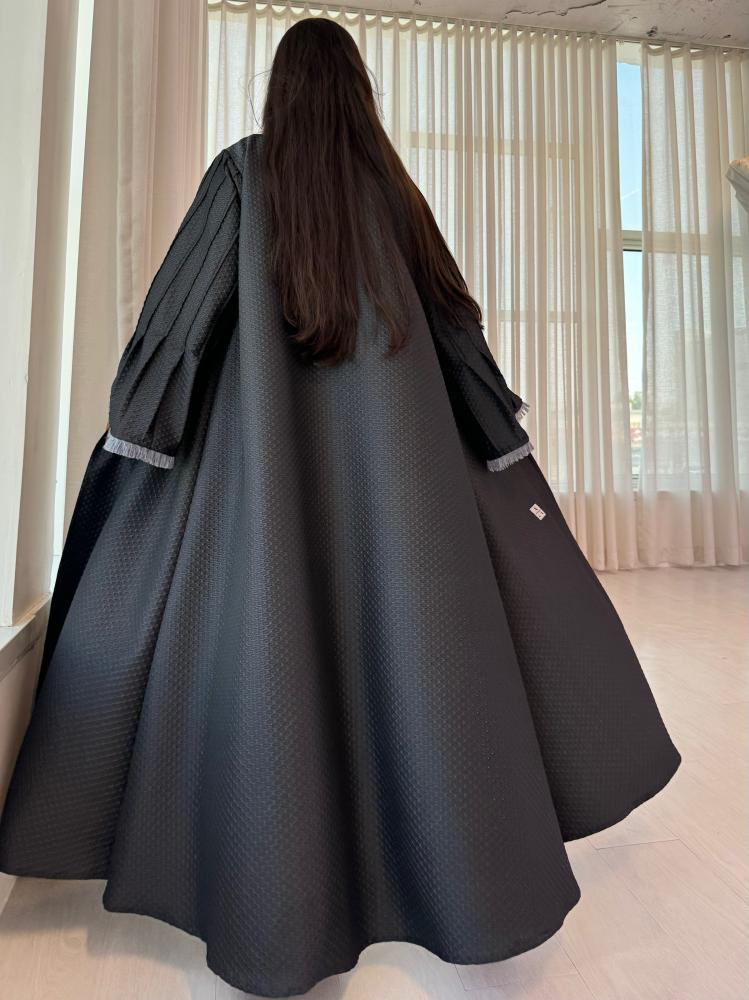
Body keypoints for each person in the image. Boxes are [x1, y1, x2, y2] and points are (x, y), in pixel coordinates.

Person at [0, 17, 680, 999]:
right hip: (404, 499)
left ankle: (276, 901)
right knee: (418, 672)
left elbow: (179, 326)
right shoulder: (394, 197)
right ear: (359, 95)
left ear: (278, 91)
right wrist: (500, 445)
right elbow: (456, 331)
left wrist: (137, 436)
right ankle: (436, 880)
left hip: (261, 496)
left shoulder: (243, 176)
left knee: (270, 668)